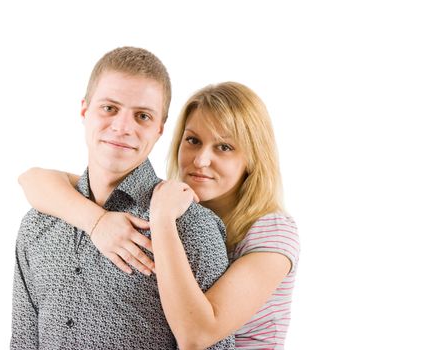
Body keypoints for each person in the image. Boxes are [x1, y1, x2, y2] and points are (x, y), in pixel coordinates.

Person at [19, 82, 300, 349]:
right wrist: (98, 222)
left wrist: (162, 219)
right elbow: (34, 180)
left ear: (253, 157)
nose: (201, 160)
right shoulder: (176, 201)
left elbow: (196, 335)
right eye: (193, 140)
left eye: (224, 147)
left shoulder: (272, 233)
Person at [11, 47, 234, 349]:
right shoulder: (39, 223)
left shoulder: (193, 227)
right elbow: (24, 342)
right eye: (109, 108)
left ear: (159, 130)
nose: (122, 127)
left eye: (142, 116)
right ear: (84, 111)